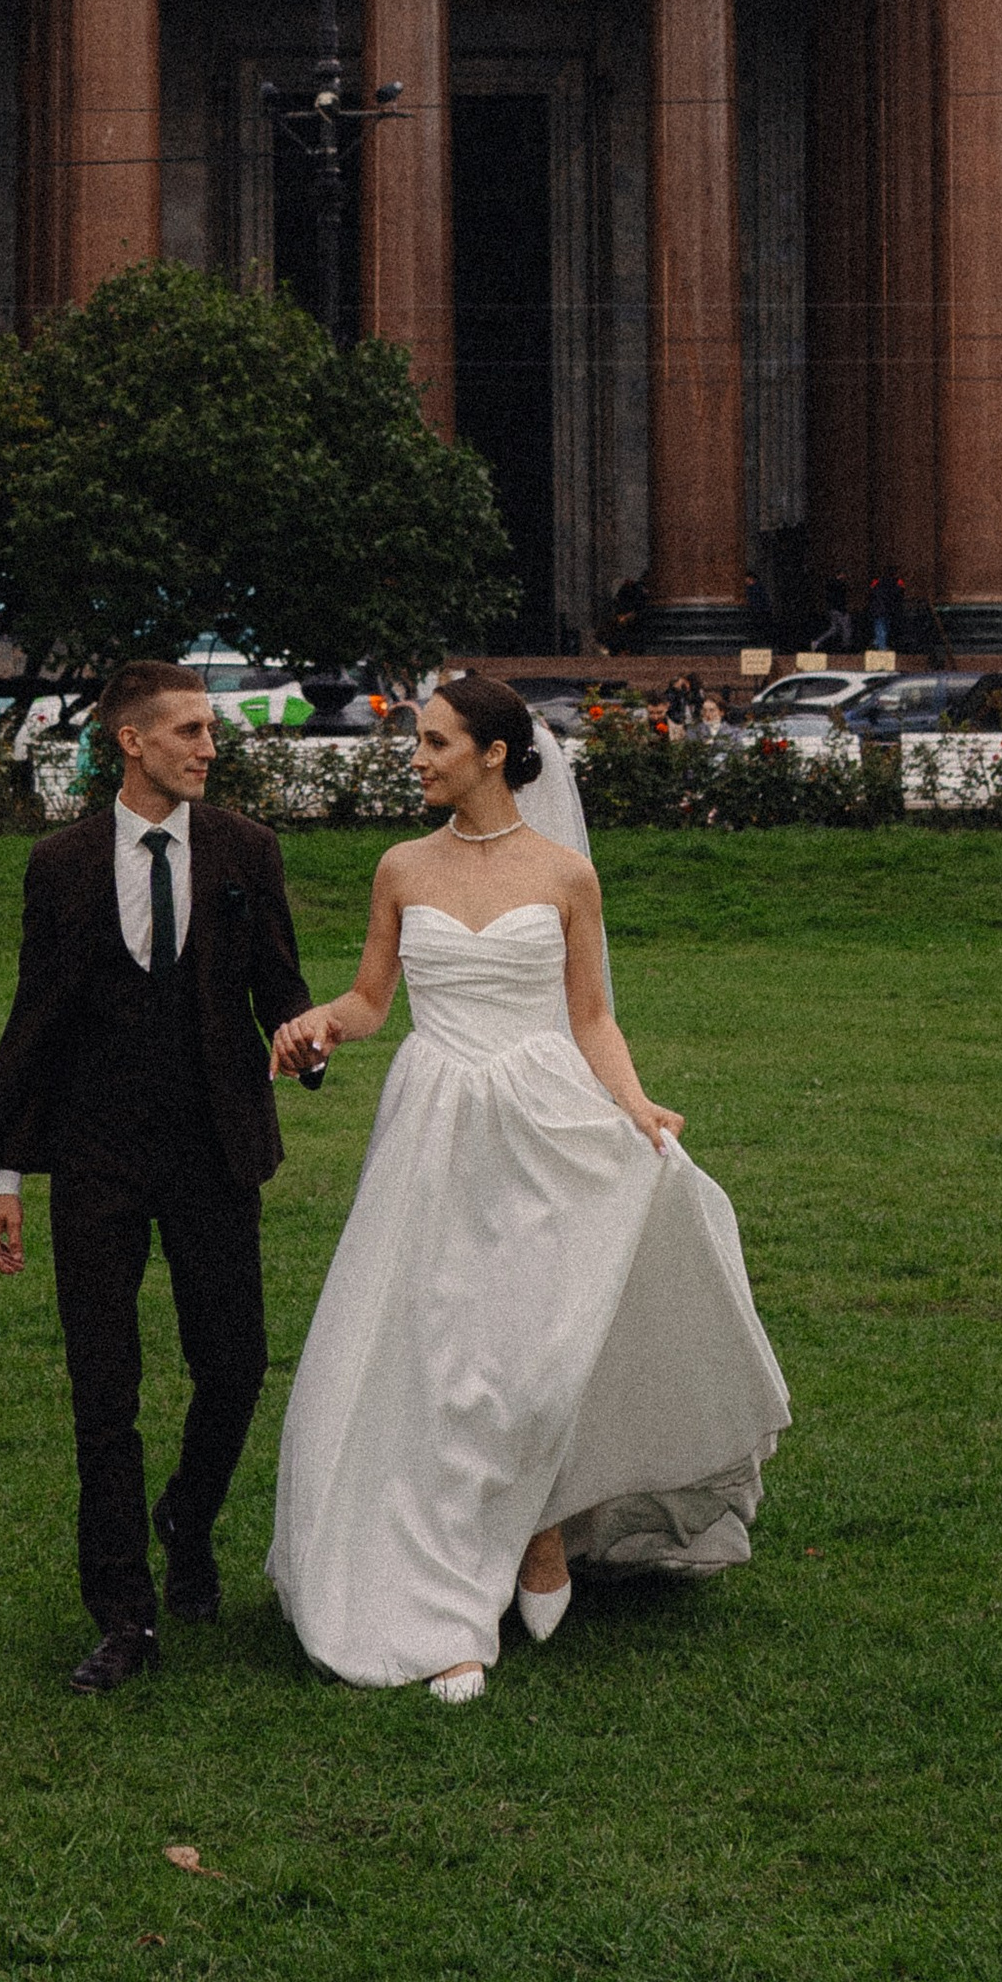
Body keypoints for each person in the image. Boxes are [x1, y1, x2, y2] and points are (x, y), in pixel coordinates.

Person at [267, 671, 790, 1699]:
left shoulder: (563, 877)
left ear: (493, 753)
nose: (415, 758)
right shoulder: (400, 867)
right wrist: (319, 1022)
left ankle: (542, 1529)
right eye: (416, 742)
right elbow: (375, 1001)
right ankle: (445, 1594)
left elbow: (590, 1016)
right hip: (433, 1121)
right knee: (439, 1348)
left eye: (433, 742)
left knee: (533, 1346)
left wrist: (637, 1107)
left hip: (541, 1117)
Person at [0, 658, 313, 1695]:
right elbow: (35, 1022)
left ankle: (188, 1519)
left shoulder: (248, 850)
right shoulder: (61, 863)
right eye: (190, 732)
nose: (210, 748)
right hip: (96, 1155)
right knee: (101, 1389)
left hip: (214, 1151)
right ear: (131, 741)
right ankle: (123, 1612)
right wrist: (3, 1178)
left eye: (210, 733)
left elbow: (283, 989)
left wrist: (310, 1045)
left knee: (236, 1365)